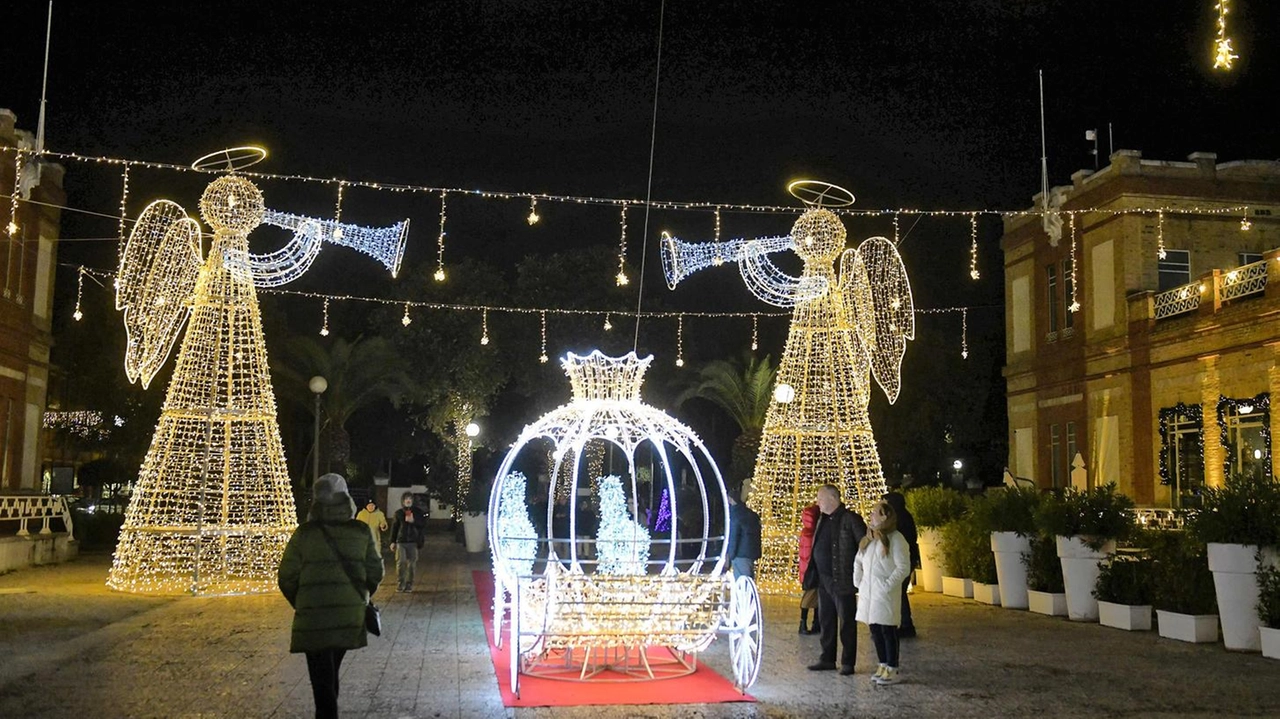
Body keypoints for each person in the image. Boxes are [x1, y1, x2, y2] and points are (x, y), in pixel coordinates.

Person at [278, 473, 382, 719]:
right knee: (329, 671)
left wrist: (302, 602)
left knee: (321, 677)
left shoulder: (304, 534)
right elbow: (375, 572)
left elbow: (286, 577)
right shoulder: (360, 532)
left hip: (313, 619)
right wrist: (359, 597)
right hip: (349, 615)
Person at [805, 484, 867, 676]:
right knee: (826, 620)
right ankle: (827, 658)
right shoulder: (822, 519)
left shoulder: (850, 519)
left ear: (833, 499)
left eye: (820, 498)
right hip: (824, 580)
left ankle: (848, 662)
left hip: (843, 580)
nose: (818, 502)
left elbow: (864, 544)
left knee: (846, 621)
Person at [853, 500, 911, 686]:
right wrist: (859, 582)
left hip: (883, 594)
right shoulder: (870, 540)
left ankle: (892, 666)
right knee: (875, 630)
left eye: (875, 512)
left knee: (888, 630)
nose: (871, 516)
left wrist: (887, 586)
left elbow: (903, 567)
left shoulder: (896, 539)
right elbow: (858, 561)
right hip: (869, 594)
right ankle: (882, 663)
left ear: (885, 516)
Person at [882, 489, 918, 637]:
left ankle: (906, 625)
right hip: (908, 559)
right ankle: (904, 623)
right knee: (899, 592)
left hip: (903, 560)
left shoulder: (899, 519)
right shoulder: (904, 516)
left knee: (899, 592)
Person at [389, 492, 426, 592]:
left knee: (412, 564)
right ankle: (401, 583)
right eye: (406, 499)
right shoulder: (399, 513)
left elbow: (422, 525)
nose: (408, 501)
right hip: (401, 541)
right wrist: (392, 541)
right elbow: (395, 528)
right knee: (401, 562)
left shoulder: (418, 512)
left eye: (410, 499)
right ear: (403, 501)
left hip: (413, 541)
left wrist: (414, 521)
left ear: (412, 501)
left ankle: (409, 584)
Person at [797, 502, 821, 634]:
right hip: (812, 571)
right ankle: (804, 623)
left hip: (808, 570)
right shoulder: (813, 533)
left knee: (816, 597)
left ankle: (815, 622)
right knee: (810, 597)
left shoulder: (806, 532)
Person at [726, 491, 762, 580]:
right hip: (750, 552)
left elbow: (733, 537)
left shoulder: (735, 515)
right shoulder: (752, 514)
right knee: (748, 581)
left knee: (741, 581)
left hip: (740, 554)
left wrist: (730, 555)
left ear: (730, 499)